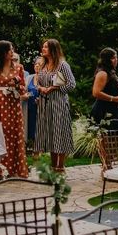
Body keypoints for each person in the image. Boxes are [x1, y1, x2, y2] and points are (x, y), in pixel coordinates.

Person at [34, 39, 76, 173]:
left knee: (59, 133)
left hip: (59, 104)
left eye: (46, 47)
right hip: (45, 104)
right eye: (43, 46)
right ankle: (53, 166)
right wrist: (40, 88)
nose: (43, 48)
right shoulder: (42, 66)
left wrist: (53, 88)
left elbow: (71, 84)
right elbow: (37, 83)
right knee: (50, 134)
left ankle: (60, 166)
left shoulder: (63, 65)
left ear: (53, 49)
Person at [0, 41, 27, 177]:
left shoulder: (18, 68)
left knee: (14, 134)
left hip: (13, 104)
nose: (12, 52)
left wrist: (16, 85)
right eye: (10, 50)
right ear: (3, 52)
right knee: (0, 134)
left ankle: (15, 169)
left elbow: (23, 88)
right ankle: (0, 169)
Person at [90, 48, 118, 125]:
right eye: (113, 58)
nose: (116, 60)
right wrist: (113, 99)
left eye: (116, 57)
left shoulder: (111, 72)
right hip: (103, 109)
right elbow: (96, 93)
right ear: (106, 60)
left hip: (112, 108)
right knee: (106, 136)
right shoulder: (103, 73)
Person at [24, 57, 42, 152]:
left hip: (41, 111)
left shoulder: (46, 78)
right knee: (29, 131)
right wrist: (26, 95)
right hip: (29, 110)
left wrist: (41, 100)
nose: (37, 66)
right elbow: (24, 91)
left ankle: (37, 154)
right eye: (36, 64)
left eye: (39, 64)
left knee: (38, 133)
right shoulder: (29, 77)